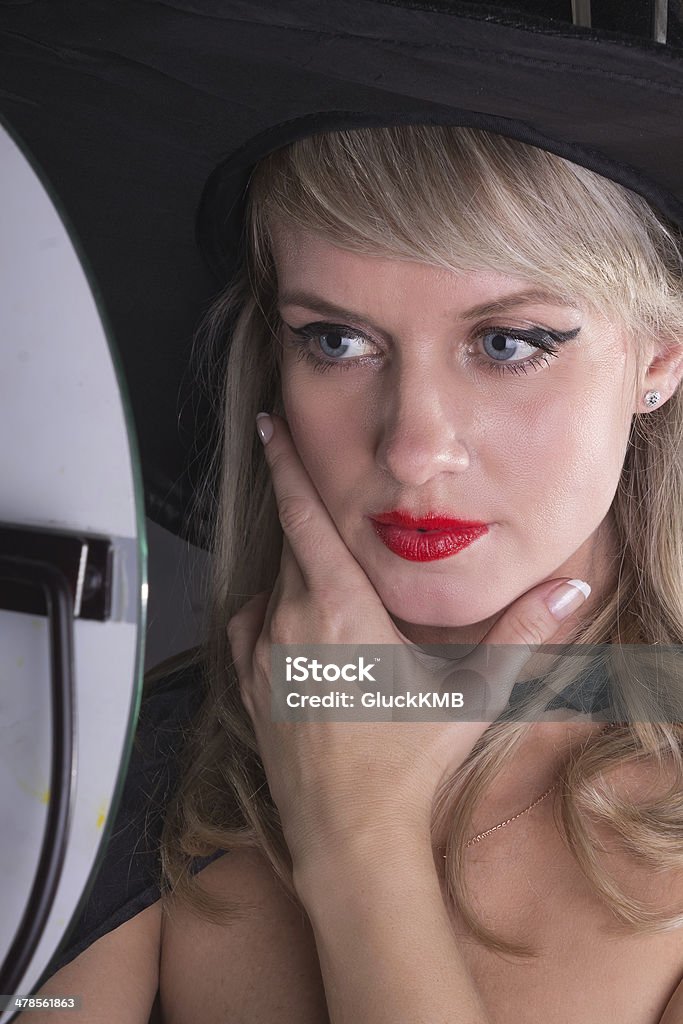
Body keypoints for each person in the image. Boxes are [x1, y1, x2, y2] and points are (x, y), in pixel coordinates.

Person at [31, 124, 683, 1023]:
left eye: (506, 344)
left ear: (658, 358)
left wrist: (359, 845)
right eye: (336, 341)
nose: (413, 451)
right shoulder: (133, 754)